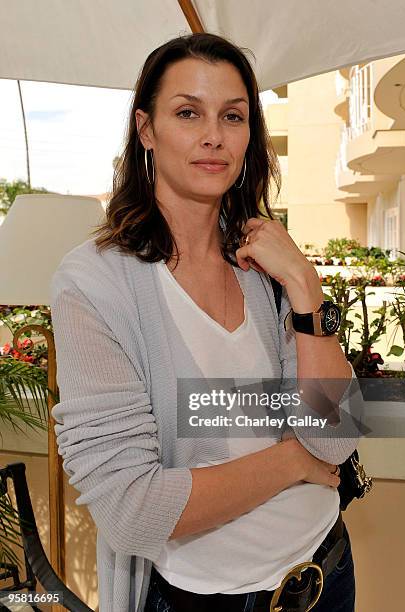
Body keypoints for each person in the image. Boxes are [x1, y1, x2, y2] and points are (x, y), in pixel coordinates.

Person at [50, 32, 361, 612]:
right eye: (188, 112)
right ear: (147, 129)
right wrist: (294, 458)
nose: (214, 136)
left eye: (233, 116)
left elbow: (335, 435)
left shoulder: (265, 262)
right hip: (211, 599)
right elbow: (135, 510)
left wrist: (305, 290)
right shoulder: (94, 284)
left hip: (327, 570)